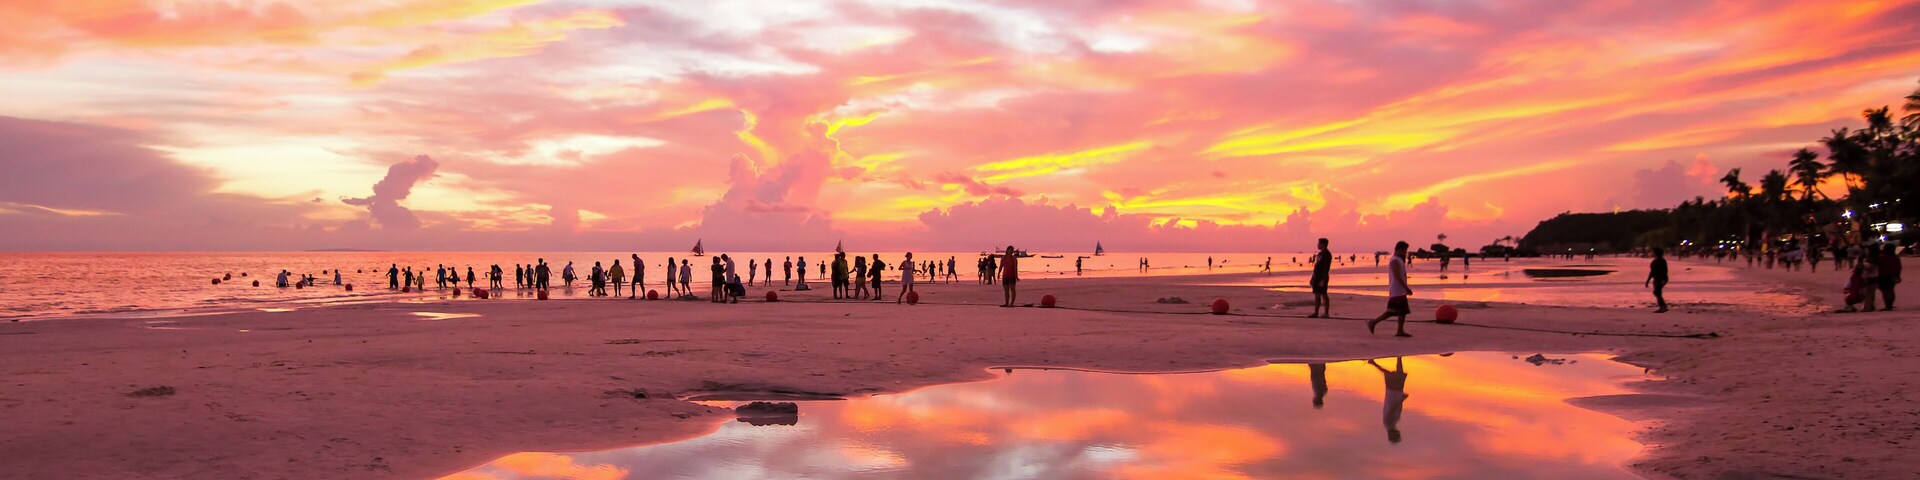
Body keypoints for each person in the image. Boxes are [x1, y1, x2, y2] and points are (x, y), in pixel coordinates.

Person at [1368, 241, 1413, 337]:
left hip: (1400, 290)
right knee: (1391, 311)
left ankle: (1400, 330)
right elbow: (1397, 276)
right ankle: (1373, 322)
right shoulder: (1394, 261)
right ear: (1399, 249)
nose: (1405, 252)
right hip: (1397, 290)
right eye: (1404, 250)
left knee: (1402, 311)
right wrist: (1406, 288)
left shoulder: (1399, 260)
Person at [1368, 357, 1409, 444]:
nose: (1399, 433)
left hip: (1394, 394)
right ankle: (1398, 357)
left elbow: (1393, 409)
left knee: (1396, 374)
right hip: (1394, 393)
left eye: (1398, 435)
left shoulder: (1389, 423)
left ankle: (1398, 357)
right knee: (1396, 374)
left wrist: (1402, 399)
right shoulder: (1390, 424)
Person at [1310, 238, 1333, 318]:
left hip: (1322, 277)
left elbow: (1326, 268)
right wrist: (1312, 277)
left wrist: (1323, 279)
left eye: (1319, 243)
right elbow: (1316, 266)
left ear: (1323, 244)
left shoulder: (1327, 255)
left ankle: (1326, 313)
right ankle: (1316, 312)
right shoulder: (1320, 254)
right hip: (1316, 276)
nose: (1318, 245)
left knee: (1323, 294)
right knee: (1317, 294)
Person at [1878, 244, 1901, 311]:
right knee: (1891, 290)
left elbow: (1880, 267)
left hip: (1883, 275)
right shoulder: (1896, 257)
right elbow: (1899, 267)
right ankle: (1890, 305)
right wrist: (1898, 276)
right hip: (1893, 275)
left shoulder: (1882, 257)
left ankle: (1887, 305)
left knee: (1885, 291)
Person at [1646, 248, 1669, 313]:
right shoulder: (1656, 261)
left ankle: (1663, 307)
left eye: (1653, 252)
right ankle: (1663, 306)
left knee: (1657, 292)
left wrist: (1663, 279)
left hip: (1661, 278)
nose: (1651, 253)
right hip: (1657, 278)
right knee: (1657, 292)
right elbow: (1652, 272)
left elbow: (1665, 271)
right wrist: (1648, 281)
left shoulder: (1660, 261)